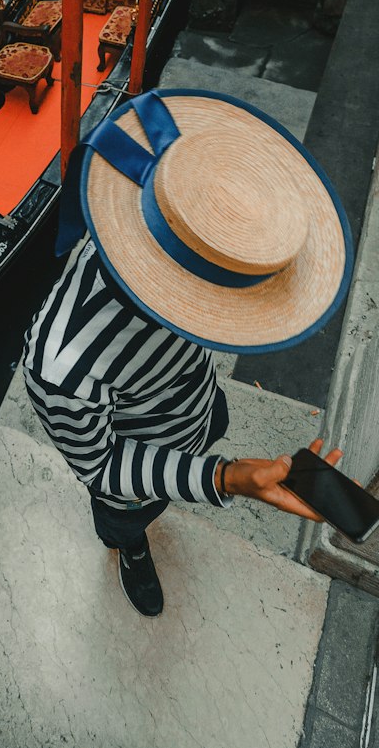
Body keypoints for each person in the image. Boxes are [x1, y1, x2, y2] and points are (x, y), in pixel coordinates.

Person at [23, 87, 353, 617]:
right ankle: (130, 550)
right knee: (126, 518)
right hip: (133, 468)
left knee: (209, 419)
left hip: (196, 404)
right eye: (215, 304)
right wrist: (226, 477)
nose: (230, 320)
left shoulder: (172, 222)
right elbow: (103, 466)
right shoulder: (62, 370)